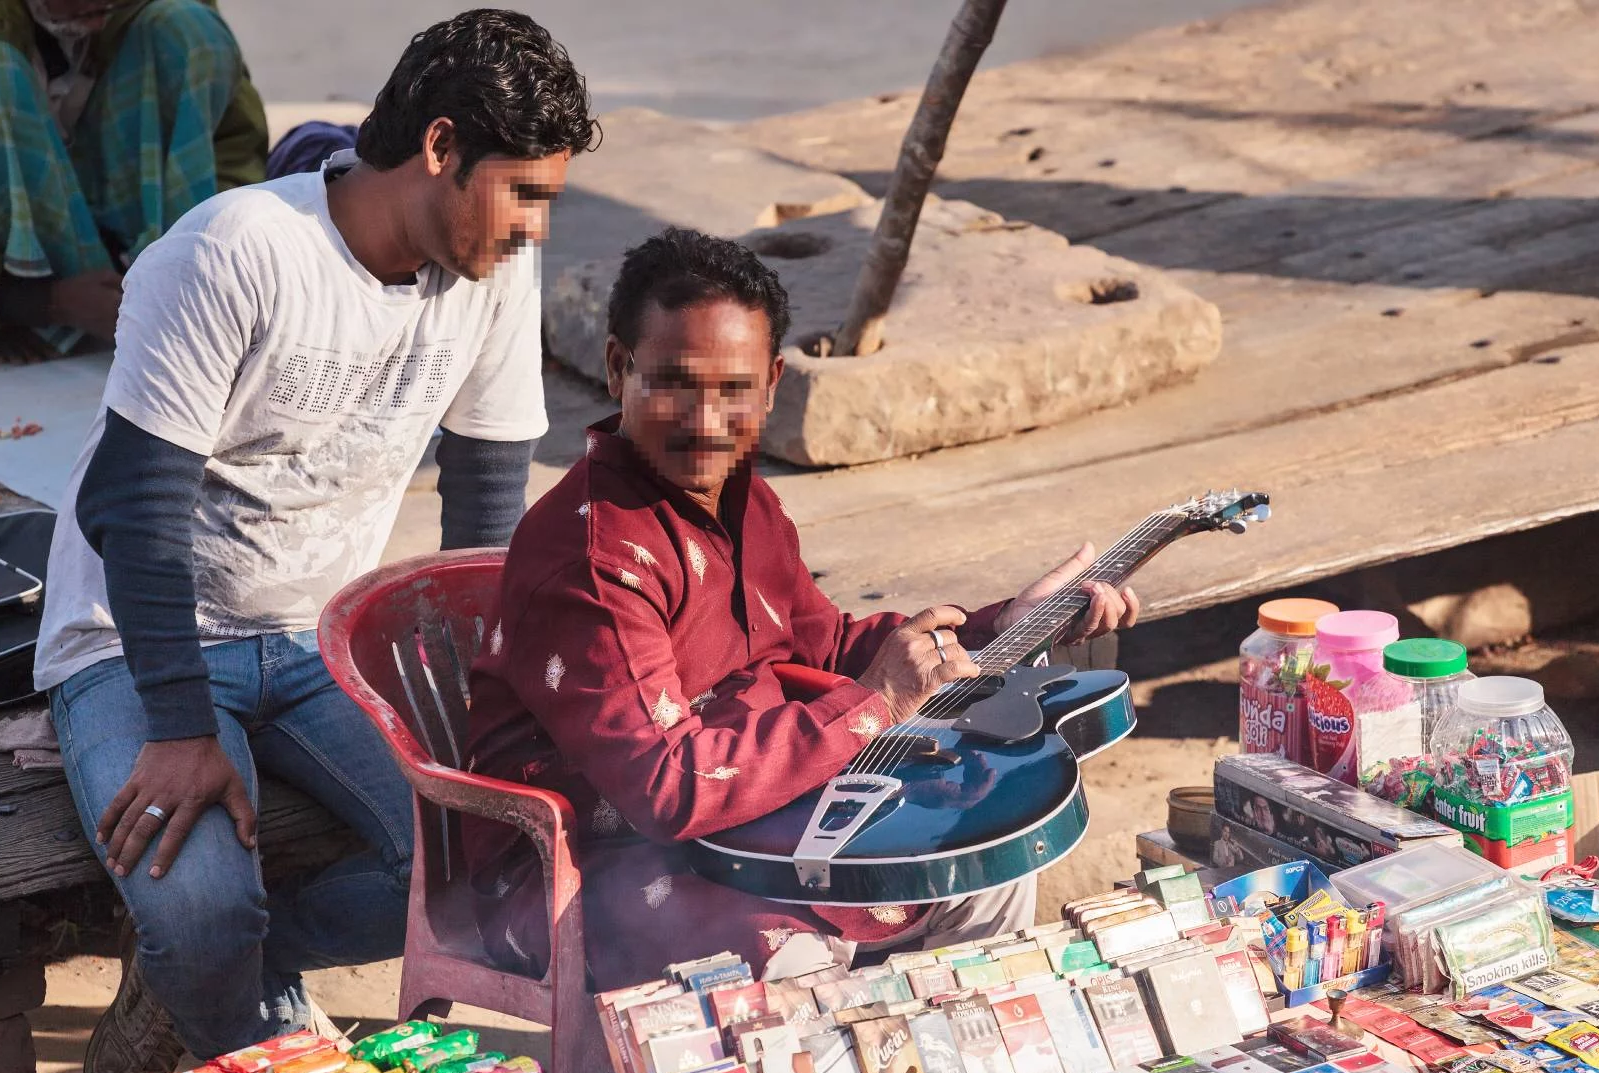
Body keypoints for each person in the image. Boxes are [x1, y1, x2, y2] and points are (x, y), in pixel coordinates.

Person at [31, 10, 596, 1073]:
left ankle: (249, 971)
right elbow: (133, 508)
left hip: (324, 635)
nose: (533, 230)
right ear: (440, 146)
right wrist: (180, 725)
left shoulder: (491, 279)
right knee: (201, 908)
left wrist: (487, 710)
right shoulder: (234, 251)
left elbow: (485, 515)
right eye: (523, 193)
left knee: (495, 858)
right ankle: (254, 1024)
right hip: (131, 640)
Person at [464, 228, 1141, 991]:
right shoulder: (594, 559)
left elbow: (827, 646)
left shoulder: (742, 498)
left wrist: (1003, 626)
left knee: (987, 864)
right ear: (619, 368)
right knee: (793, 967)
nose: (706, 421)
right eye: (676, 384)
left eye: (735, 390)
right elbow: (665, 786)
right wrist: (876, 703)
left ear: (772, 383)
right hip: (596, 865)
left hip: (755, 818)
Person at [0, 0, 270, 364]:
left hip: (115, 228)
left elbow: (232, 147)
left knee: (189, 29)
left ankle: (160, 282)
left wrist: (226, 259)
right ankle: (38, 308)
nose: (99, 18)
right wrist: (29, 302)